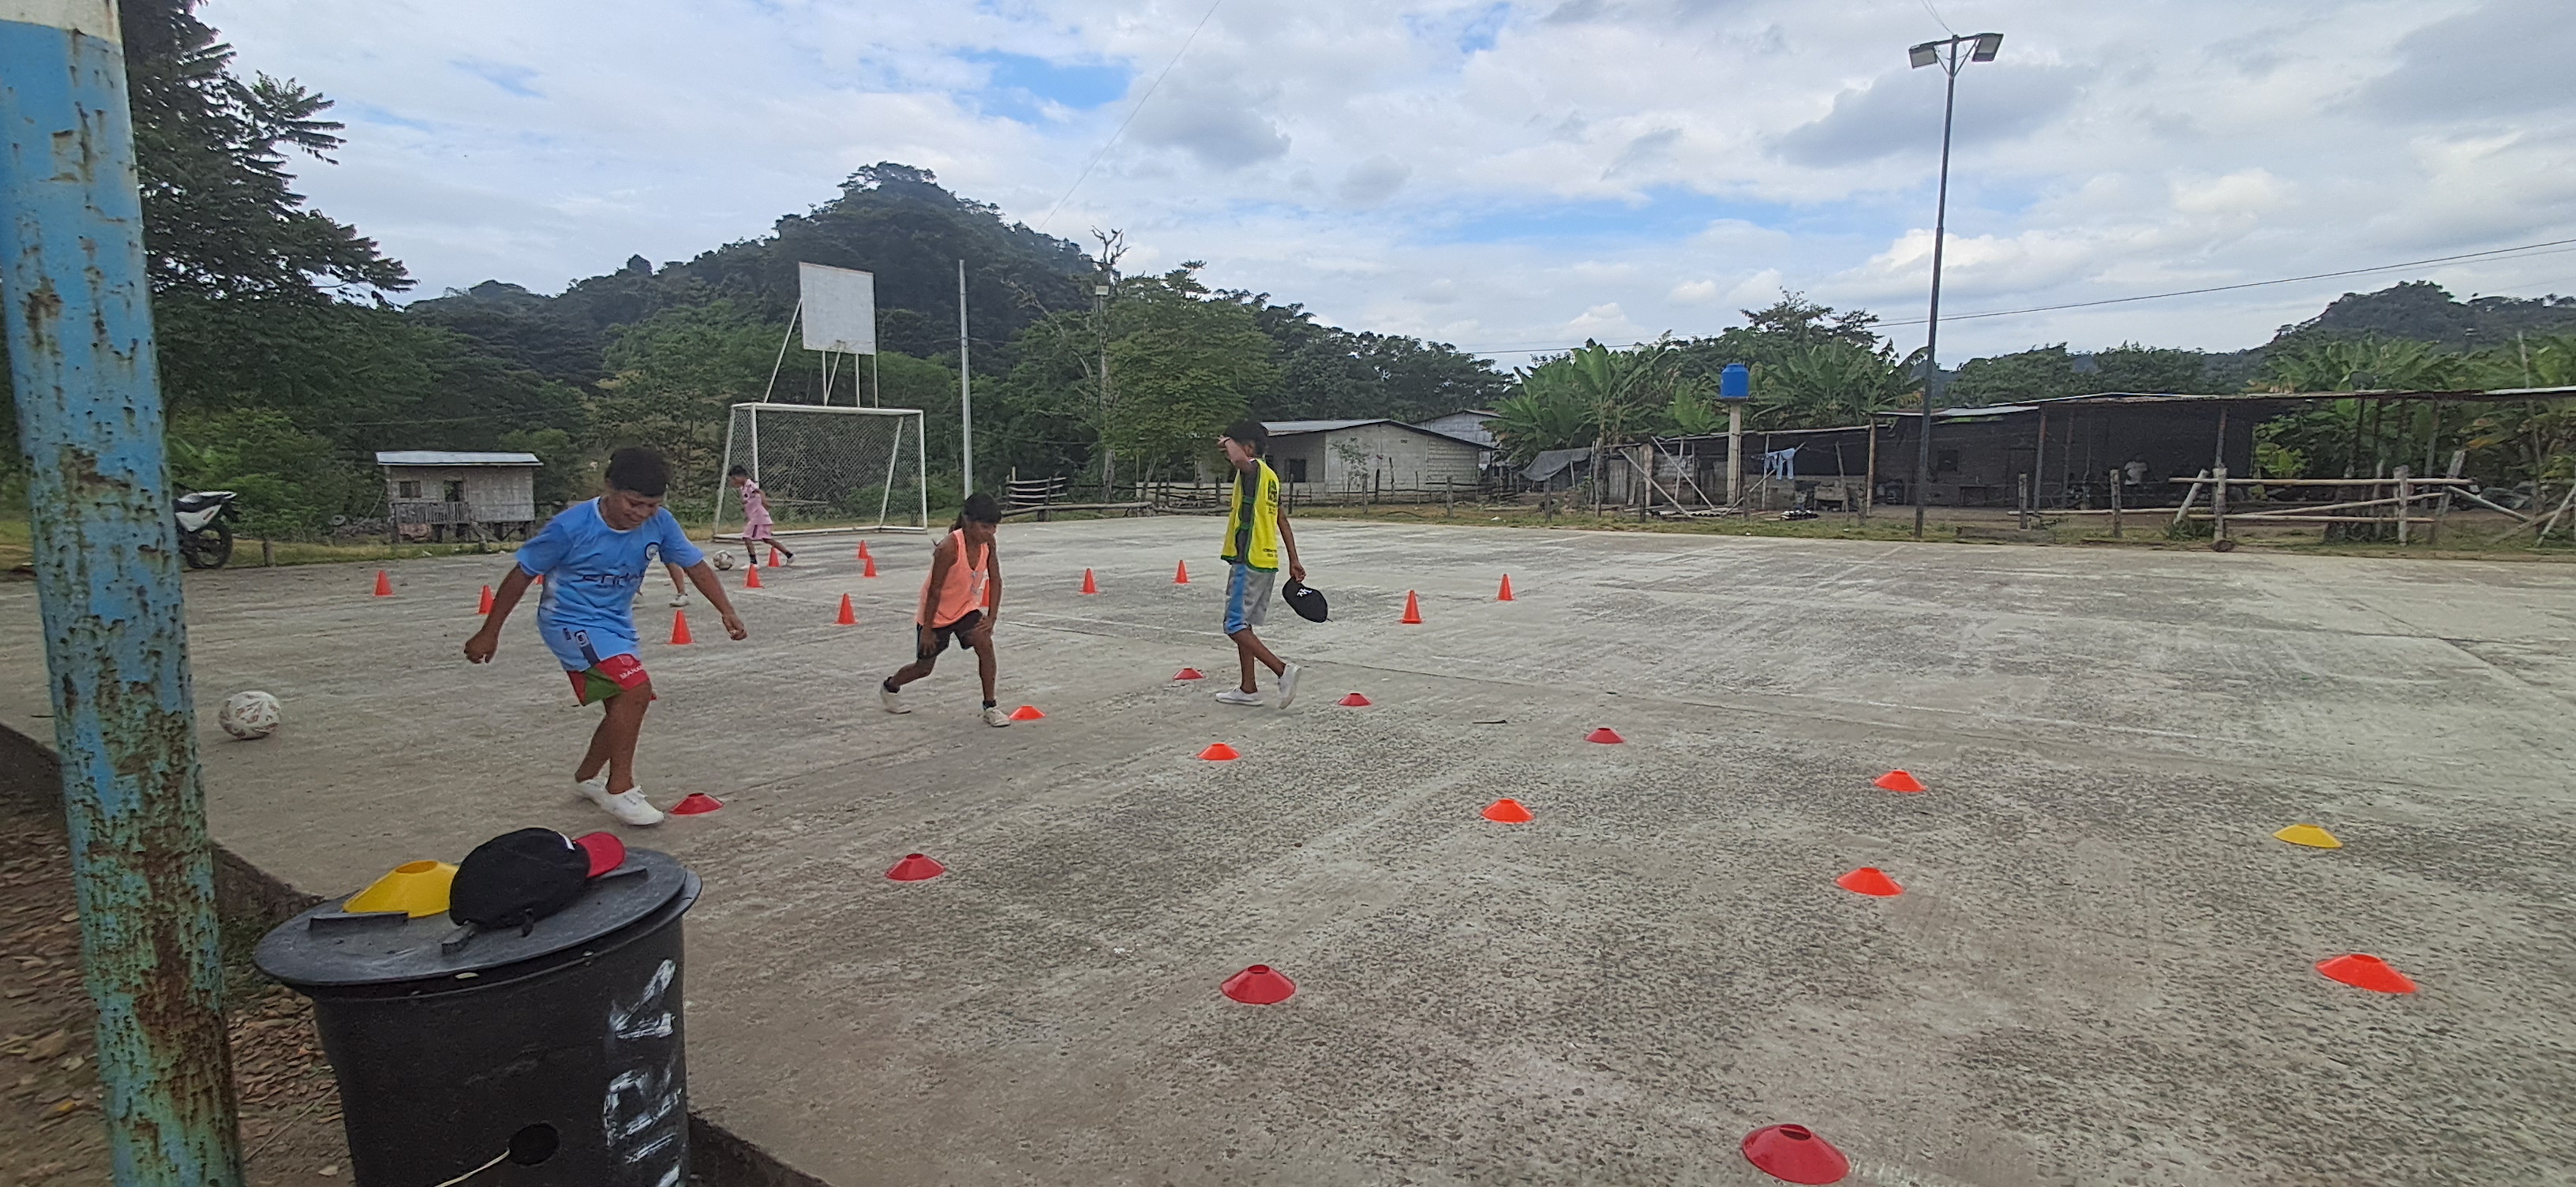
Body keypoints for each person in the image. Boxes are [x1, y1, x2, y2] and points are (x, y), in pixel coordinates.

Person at [466, 448, 747, 826]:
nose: (642, 513)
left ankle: (587, 777)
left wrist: (726, 610)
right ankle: (620, 788)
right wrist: (489, 632)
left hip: (616, 624)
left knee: (623, 703)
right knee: (635, 690)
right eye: (634, 503)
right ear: (609, 488)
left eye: (652, 505)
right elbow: (521, 574)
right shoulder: (570, 527)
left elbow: (695, 565)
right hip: (569, 622)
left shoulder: (661, 523)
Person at [882, 493, 1010, 726]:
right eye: (985, 527)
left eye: (994, 527)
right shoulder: (949, 548)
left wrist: (992, 617)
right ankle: (890, 687)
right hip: (936, 614)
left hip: (965, 608)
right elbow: (934, 591)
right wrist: (927, 630)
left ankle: (990, 706)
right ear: (968, 521)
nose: (990, 532)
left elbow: (996, 580)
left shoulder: (989, 543)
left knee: (984, 643)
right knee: (924, 668)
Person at [1215, 419, 1305, 708]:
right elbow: (1282, 520)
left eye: (1231, 447)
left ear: (1249, 447)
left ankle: (1282, 670)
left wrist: (1228, 440)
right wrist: (1294, 559)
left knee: (1233, 625)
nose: (1227, 454)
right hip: (1266, 560)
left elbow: (1239, 459)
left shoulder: (1252, 470)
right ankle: (1248, 688)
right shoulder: (1271, 477)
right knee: (1245, 626)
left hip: (1249, 559)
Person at [728, 465, 793, 566]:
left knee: (746, 537)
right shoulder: (742, 488)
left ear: (740, 477)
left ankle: (753, 562)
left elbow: (760, 492)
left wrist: (764, 501)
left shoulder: (749, 485)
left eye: (734, 479)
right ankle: (789, 555)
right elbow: (748, 501)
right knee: (766, 539)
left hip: (758, 516)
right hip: (758, 517)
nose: (733, 481)